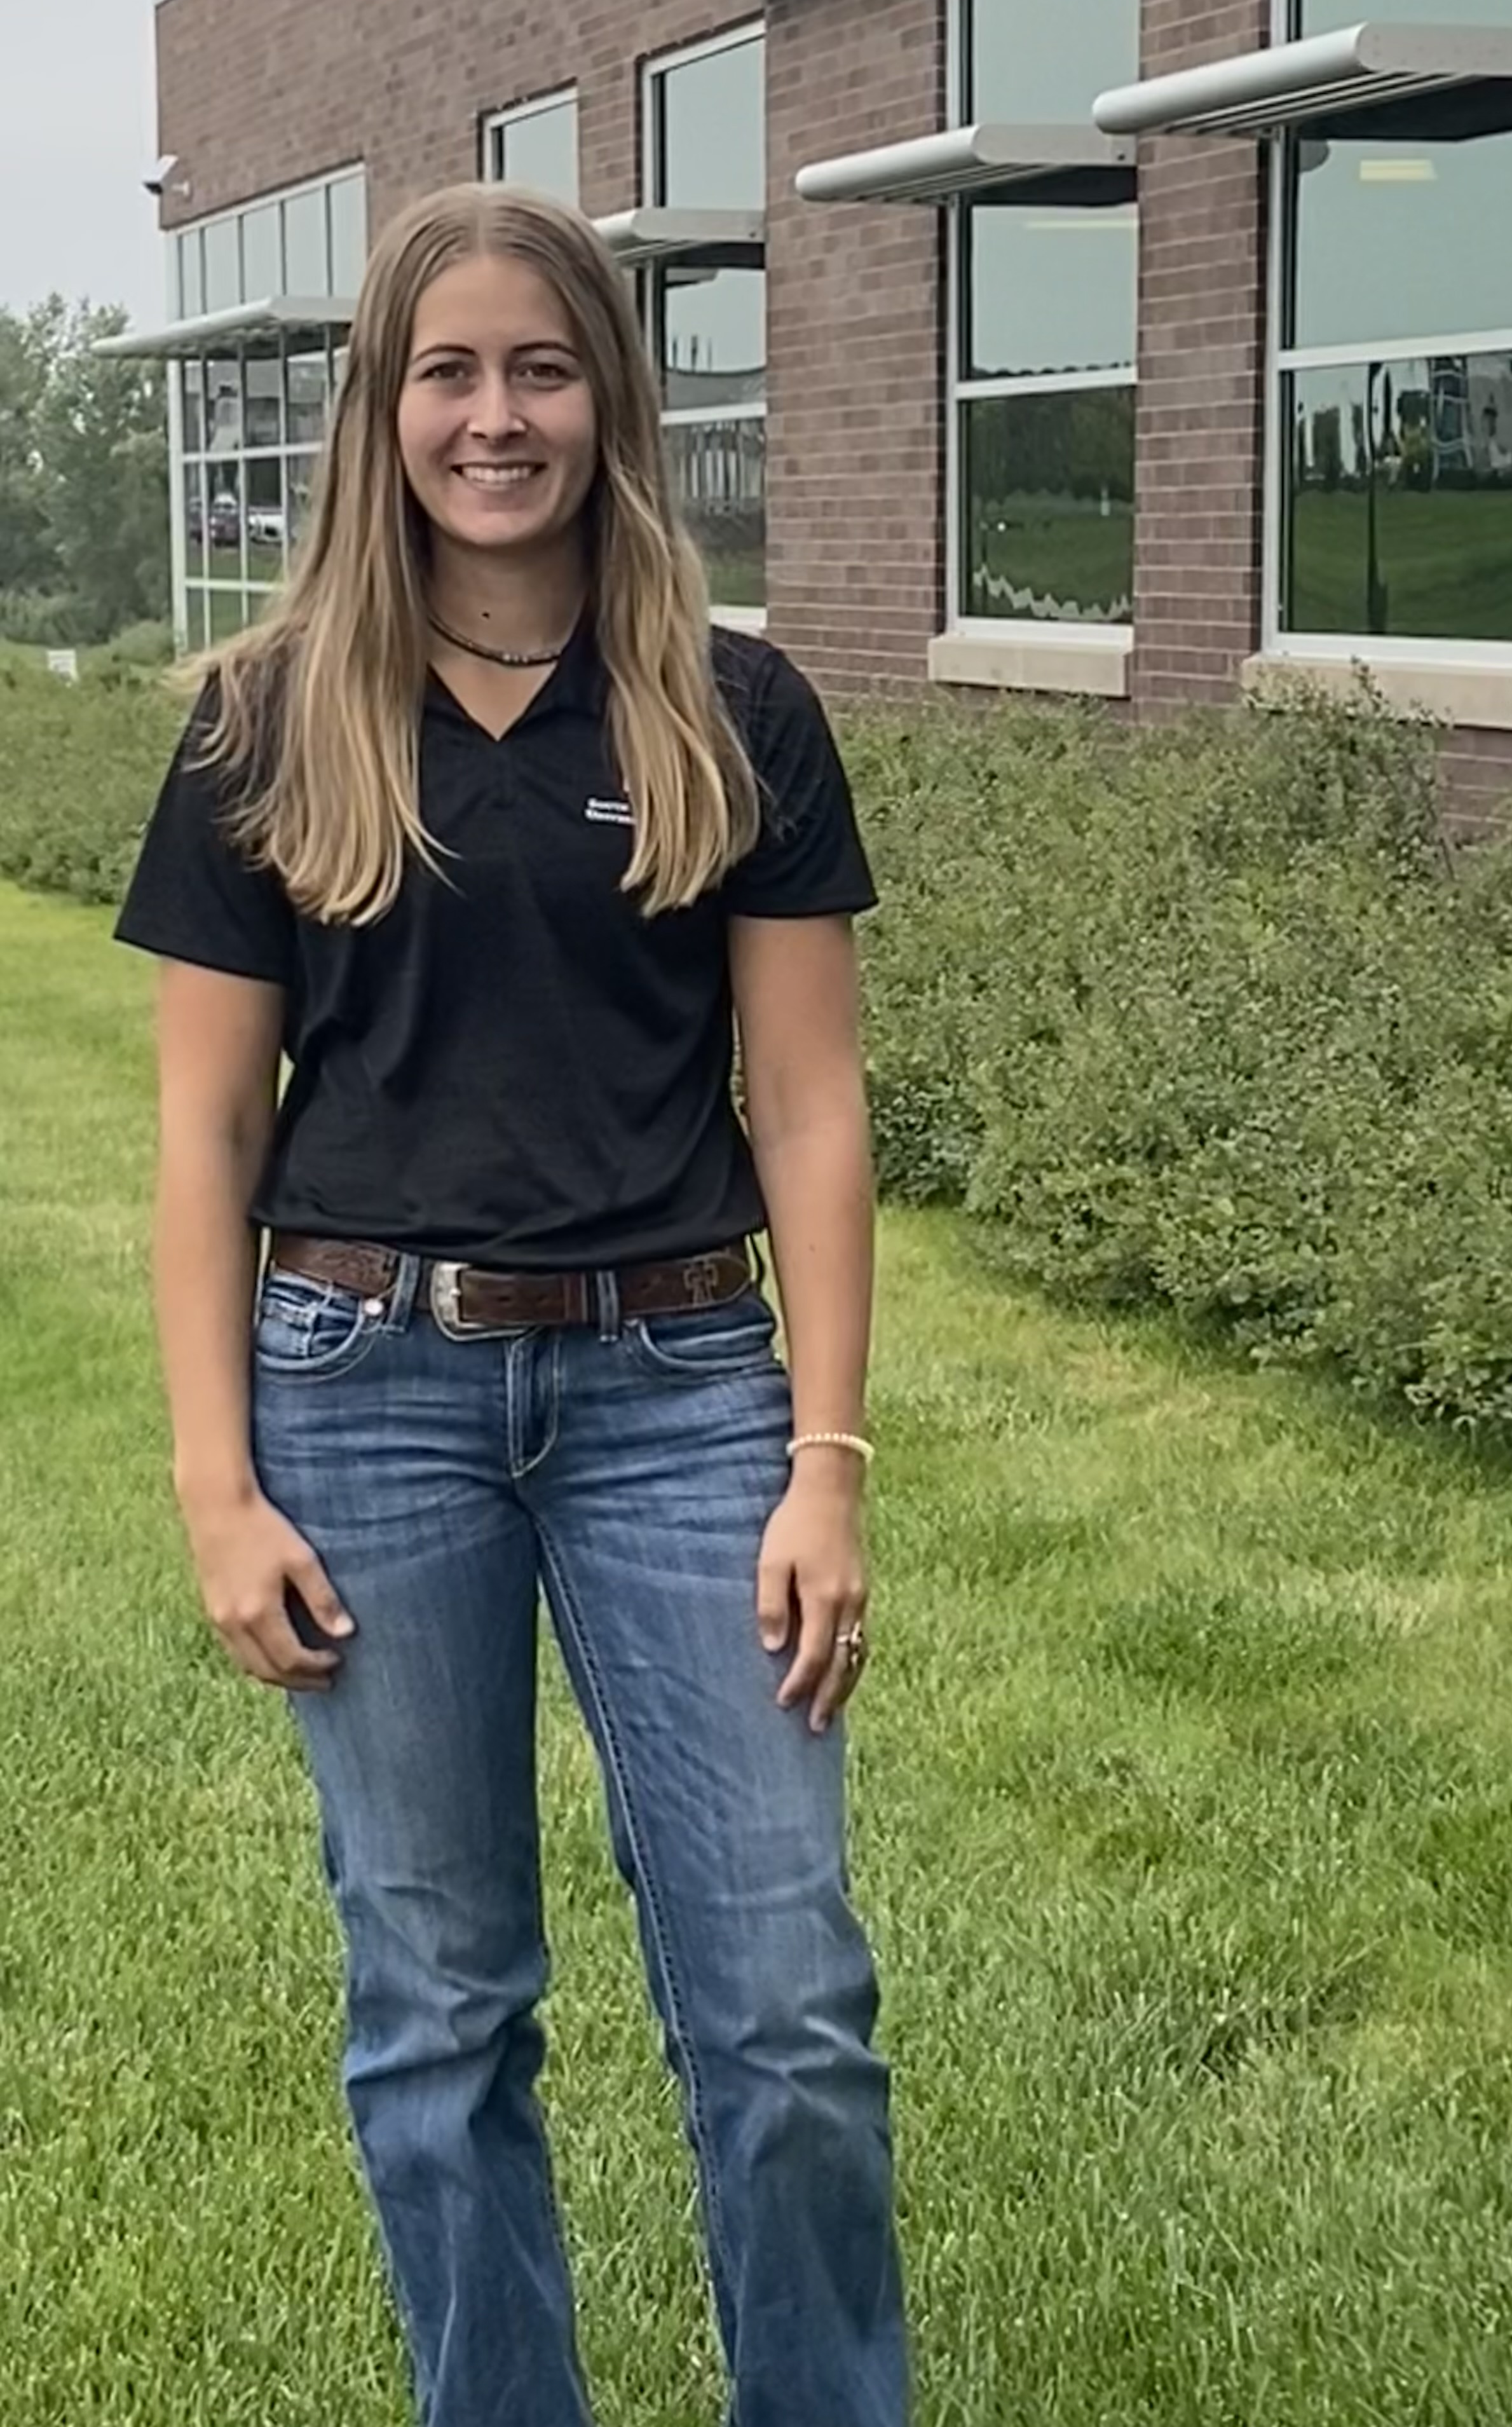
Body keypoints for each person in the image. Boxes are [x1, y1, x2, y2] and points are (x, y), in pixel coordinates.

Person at [114, 181, 910, 2427]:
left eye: (541, 369)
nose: (497, 417)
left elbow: (812, 1106)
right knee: (441, 2015)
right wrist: (216, 1486)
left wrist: (826, 1463)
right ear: (381, 412)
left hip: (681, 1390)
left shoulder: (733, 707)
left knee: (785, 2008)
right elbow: (205, 1137)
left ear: (609, 400)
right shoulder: (265, 724)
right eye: (448, 374)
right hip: (362, 1399)